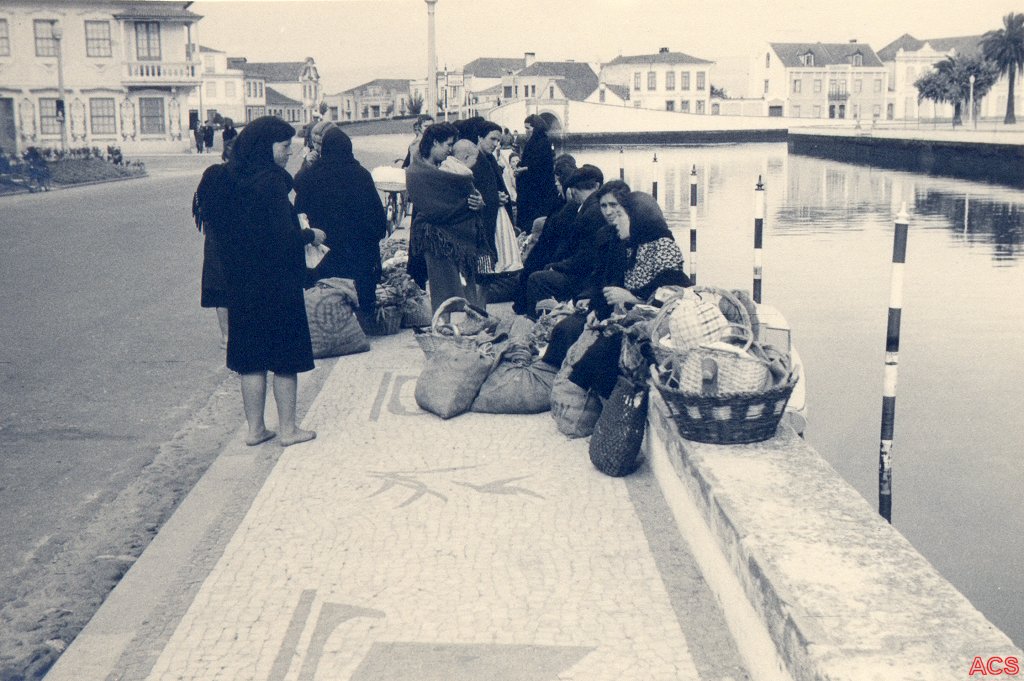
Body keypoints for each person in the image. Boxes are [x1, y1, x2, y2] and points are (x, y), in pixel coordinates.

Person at [203, 116, 326, 448]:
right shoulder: (270, 182)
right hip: (277, 284)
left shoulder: (229, 178)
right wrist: (311, 235)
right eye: (284, 146)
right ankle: (288, 430)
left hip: (242, 286)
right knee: (286, 358)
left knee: (251, 361)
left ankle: (255, 430)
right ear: (265, 146)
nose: (288, 152)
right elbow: (282, 238)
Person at [542, 188, 691, 392]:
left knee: (605, 346)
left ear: (637, 219)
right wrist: (597, 310)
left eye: (620, 214)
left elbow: (673, 296)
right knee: (571, 330)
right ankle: (570, 387)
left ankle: (585, 394)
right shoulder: (631, 246)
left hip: (654, 324)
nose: (615, 220)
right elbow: (608, 283)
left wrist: (634, 298)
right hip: (627, 315)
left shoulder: (663, 248)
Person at [294, 127, 387, 321]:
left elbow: (300, 213)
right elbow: (378, 219)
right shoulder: (361, 175)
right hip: (359, 254)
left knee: (328, 306)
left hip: (324, 253)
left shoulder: (311, 177)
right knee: (361, 300)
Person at [404, 122, 488, 311]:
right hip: (435, 238)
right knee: (442, 286)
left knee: (468, 283)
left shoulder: (448, 166)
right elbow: (433, 209)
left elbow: (467, 190)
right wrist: (466, 205)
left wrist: (478, 201)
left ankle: (471, 317)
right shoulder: (416, 173)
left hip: (460, 236)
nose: (451, 150)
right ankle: (443, 321)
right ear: (435, 142)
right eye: (448, 144)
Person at [518, 164, 605, 316]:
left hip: (583, 278)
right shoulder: (593, 208)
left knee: (537, 279)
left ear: (573, 190)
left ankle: (539, 320)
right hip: (588, 274)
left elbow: (584, 257)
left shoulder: (589, 212)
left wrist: (557, 266)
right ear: (596, 186)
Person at [192, 162, 232, 349]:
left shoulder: (212, 173)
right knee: (227, 286)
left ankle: (226, 336)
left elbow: (199, 205)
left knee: (219, 286)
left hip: (214, 237)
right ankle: (230, 336)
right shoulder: (235, 175)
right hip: (230, 239)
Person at [514, 114, 559, 233]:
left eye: (528, 128)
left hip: (539, 188)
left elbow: (540, 165)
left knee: (534, 213)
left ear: (536, 127)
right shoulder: (534, 142)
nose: (526, 131)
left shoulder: (543, 142)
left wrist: (523, 169)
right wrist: (520, 166)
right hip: (532, 186)